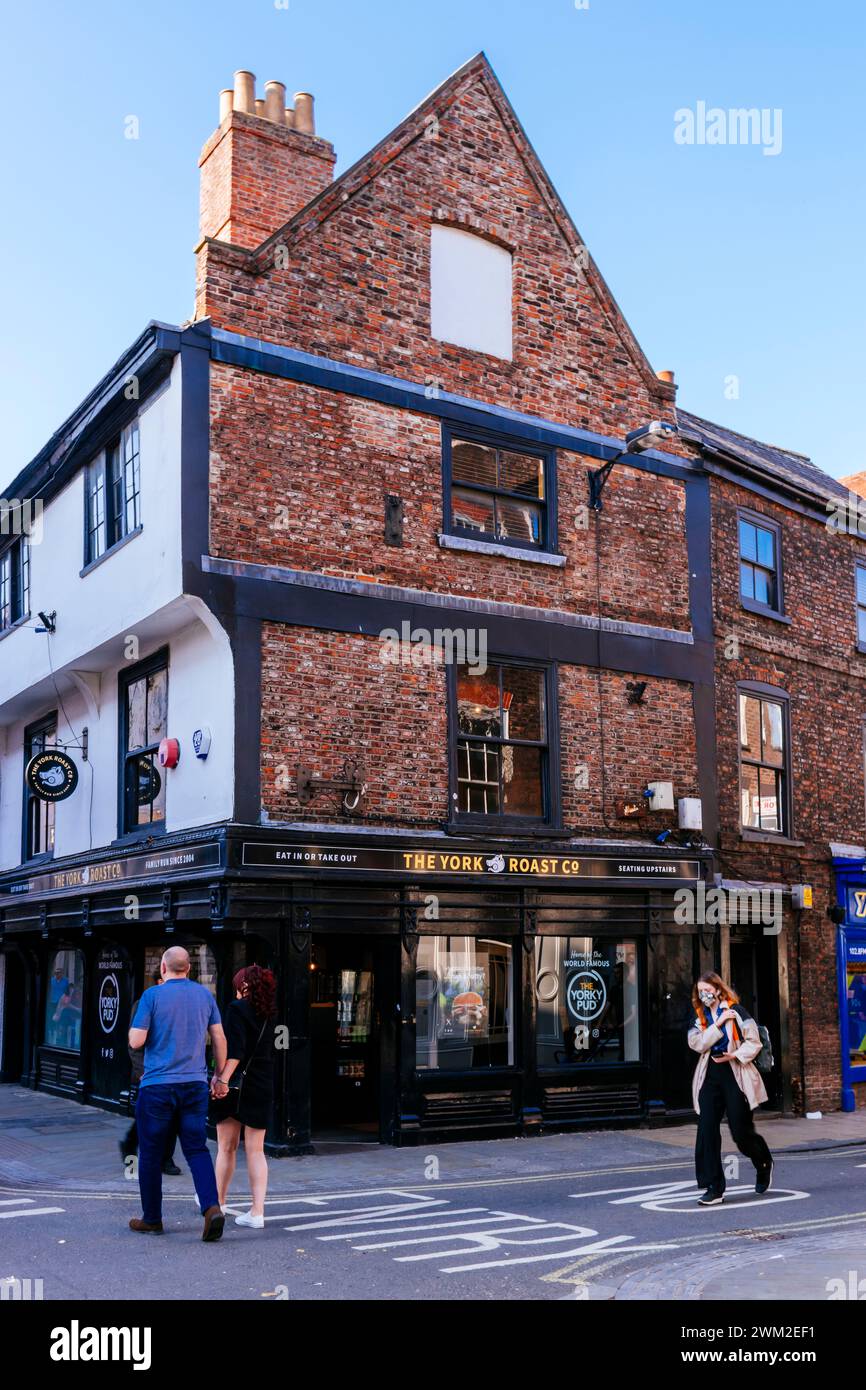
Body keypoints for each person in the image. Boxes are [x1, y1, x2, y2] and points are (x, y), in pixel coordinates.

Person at [127, 945, 227, 1240]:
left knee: (151, 1153)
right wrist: (219, 1076)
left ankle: (152, 1219)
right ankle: (211, 1208)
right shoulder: (204, 996)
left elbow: (135, 1041)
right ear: (189, 969)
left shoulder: (152, 996)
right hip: (195, 1085)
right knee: (196, 1148)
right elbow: (219, 1037)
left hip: (157, 1086)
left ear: (163, 969)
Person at [688, 972, 773, 1206]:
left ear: (717, 989)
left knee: (740, 1132)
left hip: (735, 1074)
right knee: (706, 1130)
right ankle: (714, 1187)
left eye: (707, 989)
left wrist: (734, 1055)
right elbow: (696, 1043)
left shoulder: (737, 1011)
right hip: (710, 1076)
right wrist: (717, 1025)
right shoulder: (700, 1017)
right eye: (700, 991)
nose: (704, 994)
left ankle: (763, 1161)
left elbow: (754, 1041)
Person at [210, 965, 277, 1230]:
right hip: (262, 1082)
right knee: (256, 1150)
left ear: (243, 986)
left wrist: (222, 1080)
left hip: (236, 1084)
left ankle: (219, 1203)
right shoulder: (270, 1013)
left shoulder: (236, 1010)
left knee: (226, 1147)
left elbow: (235, 1051)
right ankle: (257, 1212)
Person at [119, 973, 181, 1175]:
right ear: (158, 981)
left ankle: (166, 1159)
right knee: (146, 1119)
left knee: (172, 1117)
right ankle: (130, 1146)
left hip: (172, 1072)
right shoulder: (143, 1003)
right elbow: (133, 1046)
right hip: (148, 1074)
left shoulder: (177, 1005)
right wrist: (143, 1073)